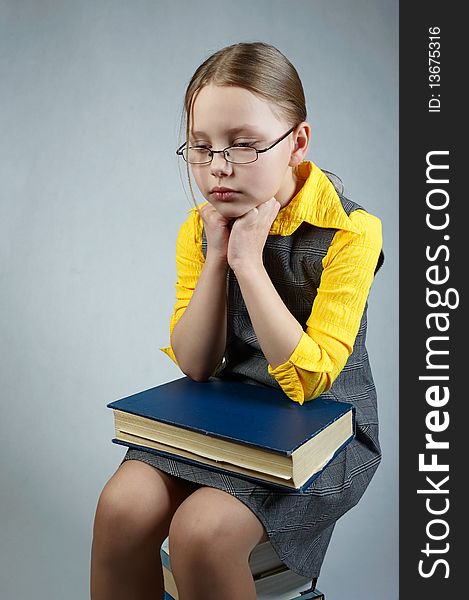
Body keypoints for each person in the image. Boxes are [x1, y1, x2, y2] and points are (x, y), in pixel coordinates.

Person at [90, 41, 384, 600]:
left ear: (297, 142)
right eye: (201, 148)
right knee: (121, 508)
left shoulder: (351, 232)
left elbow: (310, 379)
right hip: (226, 414)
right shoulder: (198, 229)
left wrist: (251, 263)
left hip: (325, 425)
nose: (218, 168)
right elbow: (197, 365)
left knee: (202, 533)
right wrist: (220, 256)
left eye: (243, 145)